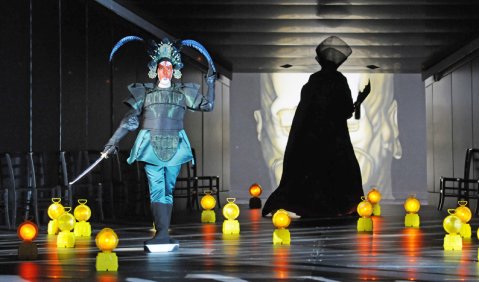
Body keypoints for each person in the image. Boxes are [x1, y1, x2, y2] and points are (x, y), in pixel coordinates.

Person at [103, 38, 216, 250]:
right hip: (150, 145)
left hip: (175, 143)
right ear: (155, 70)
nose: (166, 71)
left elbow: (208, 105)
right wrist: (112, 142)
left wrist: (210, 83)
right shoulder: (144, 93)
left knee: (168, 189)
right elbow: (128, 119)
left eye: (169, 67)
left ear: (175, 71)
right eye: (162, 67)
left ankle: (163, 232)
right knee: (157, 189)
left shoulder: (183, 93)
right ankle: (162, 232)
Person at [262, 36, 363, 218]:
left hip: (311, 138)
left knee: (312, 172)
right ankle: (338, 207)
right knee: (338, 171)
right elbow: (346, 110)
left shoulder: (314, 80)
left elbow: (305, 109)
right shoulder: (339, 80)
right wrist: (356, 105)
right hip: (335, 138)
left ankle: (312, 207)